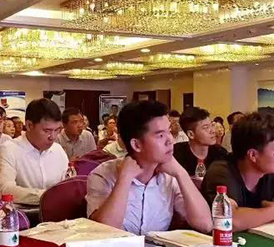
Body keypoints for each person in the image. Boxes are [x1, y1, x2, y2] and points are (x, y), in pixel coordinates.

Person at [86, 100, 212, 234]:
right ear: (136, 145)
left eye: (169, 131)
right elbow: (104, 232)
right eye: (161, 135)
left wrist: (181, 173)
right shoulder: (103, 175)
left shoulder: (170, 176)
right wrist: (124, 180)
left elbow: (205, 225)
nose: (170, 140)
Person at [201, 112, 274, 231]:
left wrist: (266, 218)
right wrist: (272, 211)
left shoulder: (272, 171)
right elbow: (229, 221)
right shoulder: (221, 171)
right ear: (252, 155)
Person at [0, 99, 68, 205]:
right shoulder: (9, 149)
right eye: (47, 131)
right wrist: (47, 196)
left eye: (57, 130)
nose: (53, 137)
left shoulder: (58, 150)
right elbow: (5, 190)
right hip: (25, 213)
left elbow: (67, 185)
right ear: (29, 125)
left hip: (58, 211)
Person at [174, 107, 227, 176]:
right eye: (206, 127)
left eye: (212, 125)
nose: (213, 131)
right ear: (191, 134)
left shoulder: (220, 154)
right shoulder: (176, 154)